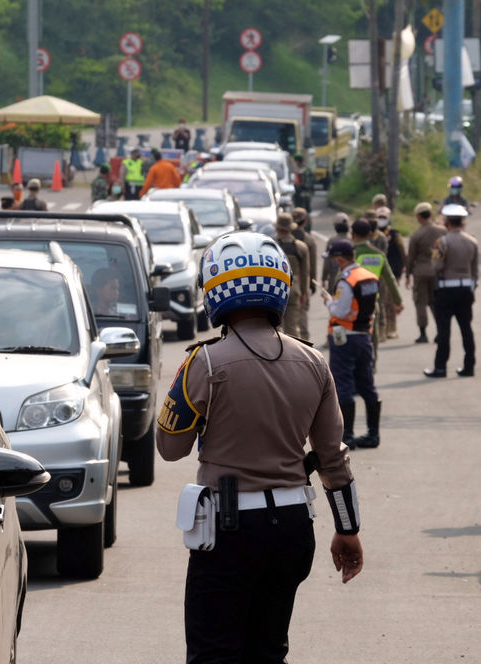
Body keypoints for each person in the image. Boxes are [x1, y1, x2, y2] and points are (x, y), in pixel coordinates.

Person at [156, 231, 363, 663]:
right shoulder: (314, 362)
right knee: (268, 651)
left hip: (228, 531)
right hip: (292, 529)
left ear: (215, 291)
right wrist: (348, 528)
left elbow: (170, 447)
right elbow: (333, 457)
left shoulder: (205, 363)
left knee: (214, 654)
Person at [322, 239, 382, 449]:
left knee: (344, 384)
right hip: (364, 335)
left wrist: (328, 301)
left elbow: (340, 311)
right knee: (367, 384)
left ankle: (347, 435)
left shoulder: (347, 281)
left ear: (340, 258)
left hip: (345, 336)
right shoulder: (369, 277)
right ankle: (373, 434)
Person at [424, 204, 478, 378]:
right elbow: (475, 271)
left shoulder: (442, 242)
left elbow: (436, 266)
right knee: (466, 329)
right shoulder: (472, 241)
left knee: (444, 330)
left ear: (447, 222)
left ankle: (440, 367)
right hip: (465, 289)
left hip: (446, 290)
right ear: (462, 222)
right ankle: (469, 366)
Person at [351, 218, 404, 363]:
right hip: (372, 302)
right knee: (372, 336)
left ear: (353, 234)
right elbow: (390, 279)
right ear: (370, 234)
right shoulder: (379, 255)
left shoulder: (351, 254)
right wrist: (398, 301)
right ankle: (371, 364)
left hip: (352, 304)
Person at [405, 202, 447, 343]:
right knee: (436, 302)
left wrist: (407, 275)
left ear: (418, 216)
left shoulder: (417, 234)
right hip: (438, 271)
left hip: (421, 271)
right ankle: (440, 332)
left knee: (420, 302)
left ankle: (423, 334)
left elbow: (411, 257)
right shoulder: (442, 231)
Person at [274, 213, 310, 338]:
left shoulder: (272, 245)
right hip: (294, 288)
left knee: (275, 326)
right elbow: (305, 273)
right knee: (293, 326)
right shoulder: (301, 247)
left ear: (277, 228)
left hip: (276, 287)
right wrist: (304, 292)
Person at [291, 207, 318, 341]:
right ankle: (305, 343)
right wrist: (312, 283)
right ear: (305, 222)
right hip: (302, 282)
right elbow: (311, 265)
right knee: (302, 316)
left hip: (285, 283)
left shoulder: (282, 239)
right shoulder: (309, 240)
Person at [380, 209, 406, 339]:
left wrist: (404, 266)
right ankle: (382, 328)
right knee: (381, 302)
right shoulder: (375, 235)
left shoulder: (395, 234)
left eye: (383, 217)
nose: (381, 219)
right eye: (379, 217)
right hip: (378, 272)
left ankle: (392, 328)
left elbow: (402, 251)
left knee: (390, 302)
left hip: (393, 271)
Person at [322, 213, 351, 296]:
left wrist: (324, 278)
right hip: (351, 277)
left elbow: (327, 262)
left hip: (334, 278)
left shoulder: (332, 241)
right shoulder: (352, 240)